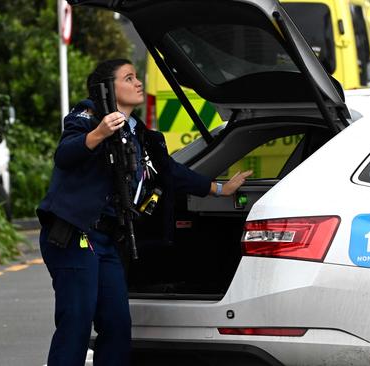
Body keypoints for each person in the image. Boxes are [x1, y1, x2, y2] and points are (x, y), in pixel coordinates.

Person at [36, 59, 252, 366]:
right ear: (109, 88)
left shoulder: (140, 135)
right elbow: (65, 154)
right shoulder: (86, 116)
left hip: (109, 240)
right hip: (76, 234)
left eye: (136, 77)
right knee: (77, 322)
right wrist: (97, 133)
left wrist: (220, 189)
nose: (138, 83)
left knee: (117, 324)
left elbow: (172, 173)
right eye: (129, 78)